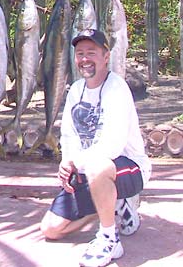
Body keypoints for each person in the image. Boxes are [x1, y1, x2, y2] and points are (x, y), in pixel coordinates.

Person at [40, 29, 151, 267]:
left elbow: (112, 146)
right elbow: (68, 134)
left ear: (106, 56)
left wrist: (76, 163)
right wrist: (66, 161)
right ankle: (114, 205)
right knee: (51, 229)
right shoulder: (76, 90)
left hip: (127, 168)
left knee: (98, 165)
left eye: (91, 52)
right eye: (80, 53)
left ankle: (109, 239)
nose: (84, 59)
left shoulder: (117, 87)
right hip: (87, 171)